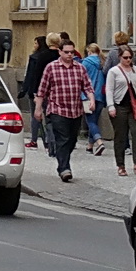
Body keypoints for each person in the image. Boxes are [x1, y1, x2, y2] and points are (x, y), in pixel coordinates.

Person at [34, 31, 96, 182]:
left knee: (72, 140)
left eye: (71, 52)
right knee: (62, 138)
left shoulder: (80, 68)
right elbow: (42, 89)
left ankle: (63, 163)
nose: (69, 55)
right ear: (60, 52)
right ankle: (64, 168)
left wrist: (91, 100)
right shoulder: (51, 68)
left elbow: (87, 86)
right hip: (57, 109)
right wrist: (38, 108)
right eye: (66, 52)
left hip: (75, 110)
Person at [105, 45, 136, 177]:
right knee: (120, 135)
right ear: (119, 57)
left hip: (135, 107)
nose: (128, 60)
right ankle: (121, 165)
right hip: (119, 105)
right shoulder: (114, 71)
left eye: (130, 57)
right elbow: (109, 89)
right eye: (125, 57)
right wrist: (110, 106)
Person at [20, 36, 57, 152]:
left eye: (36, 43)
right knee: (49, 117)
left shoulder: (37, 57)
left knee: (35, 115)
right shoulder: (59, 56)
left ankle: (35, 140)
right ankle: (49, 140)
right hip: (53, 92)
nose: (34, 46)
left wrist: (29, 90)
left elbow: (32, 75)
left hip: (37, 90)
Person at [81, 43, 106, 155]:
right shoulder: (103, 62)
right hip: (100, 95)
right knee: (94, 121)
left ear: (89, 52)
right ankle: (90, 146)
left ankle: (99, 142)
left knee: (90, 121)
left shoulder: (85, 62)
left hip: (88, 95)